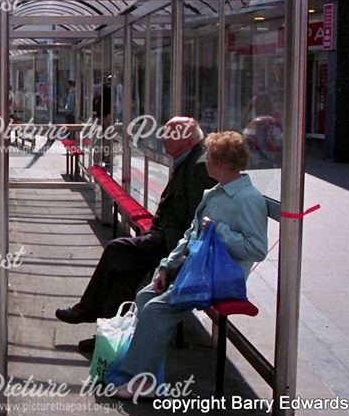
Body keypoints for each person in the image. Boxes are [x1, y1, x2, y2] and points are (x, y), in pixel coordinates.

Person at [108, 131, 268, 398]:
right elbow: (190, 235)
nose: (204, 162)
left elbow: (257, 249)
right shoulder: (215, 192)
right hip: (196, 270)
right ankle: (141, 371)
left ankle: (142, 381)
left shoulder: (247, 198)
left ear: (220, 162)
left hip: (219, 278)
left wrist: (220, 231)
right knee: (145, 296)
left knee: (157, 309)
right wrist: (165, 266)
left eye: (208, 157)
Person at [54, 117, 217, 354]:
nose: (162, 138)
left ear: (186, 139)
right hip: (164, 237)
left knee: (118, 250)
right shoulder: (188, 159)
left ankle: (88, 312)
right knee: (125, 271)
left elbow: (195, 219)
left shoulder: (199, 166)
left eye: (169, 134)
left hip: (174, 246)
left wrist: (174, 255)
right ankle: (105, 336)